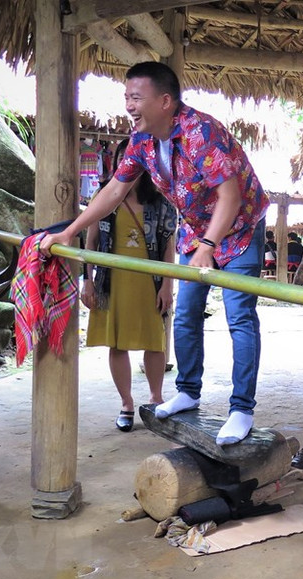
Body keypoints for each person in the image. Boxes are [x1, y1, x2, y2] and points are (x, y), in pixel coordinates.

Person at [41, 61, 269, 446]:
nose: (129, 105)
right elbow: (113, 190)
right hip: (199, 233)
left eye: (136, 97)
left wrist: (209, 248)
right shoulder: (142, 141)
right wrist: (71, 230)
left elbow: (229, 196)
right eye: (126, 97)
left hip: (241, 229)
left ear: (165, 101)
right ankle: (188, 391)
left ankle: (241, 409)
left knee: (239, 318)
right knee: (185, 315)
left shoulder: (201, 132)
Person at [82, 139, 177, 432]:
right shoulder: (104, 195)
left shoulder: (161, 201)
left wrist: (166, 286)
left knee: (155, 342)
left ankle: (156, 399)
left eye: (134, 159)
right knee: (117, 342)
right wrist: (87, 280)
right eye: (124, 158)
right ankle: (126, 403)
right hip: (112, 280)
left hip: (149, 281)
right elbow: (91, 241)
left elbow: (168, 247)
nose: (129, 165)